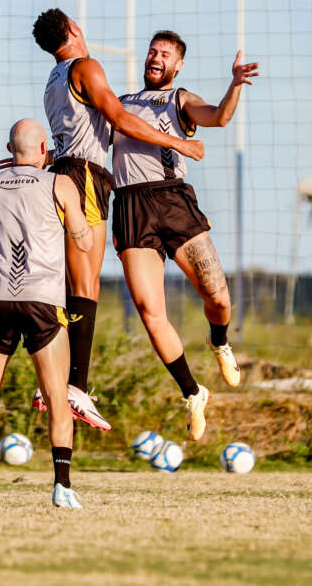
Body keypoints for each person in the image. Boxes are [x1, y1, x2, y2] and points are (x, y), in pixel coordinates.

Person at [27, 8, 206, 430]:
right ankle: (75, 387)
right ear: (73, 30)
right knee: (85, 286)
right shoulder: (86, 67)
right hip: (86, 178)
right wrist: (179, 145)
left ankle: (55, 381)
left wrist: (42, 158)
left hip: (63, 174)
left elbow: (76, 134)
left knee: (68, 286)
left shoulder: (53, 80)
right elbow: (119, 119)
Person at [112, 30, 259, 440]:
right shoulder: (120, 105)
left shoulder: (179, 98)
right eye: (152, 51)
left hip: (172, 200)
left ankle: (220, 343)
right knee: (148, 309)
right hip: (131, 206)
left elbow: (219, 117)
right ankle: (193, 393)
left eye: (165, 54)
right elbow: (89, 143)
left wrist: (234, 86)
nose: (155, 57)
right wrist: (47, 157)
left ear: (177, 66)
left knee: (218, 297)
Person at [0, 118, 92, 509]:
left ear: (8, 148)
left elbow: (9, 197)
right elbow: (83, 242)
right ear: (44, 148)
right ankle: (62, 487)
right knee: (56, 397)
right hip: (42, 300)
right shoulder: (59, 184)